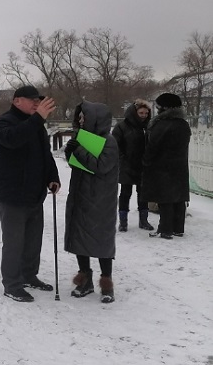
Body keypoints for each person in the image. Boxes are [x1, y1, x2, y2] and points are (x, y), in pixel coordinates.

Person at [0, 85, 61, 302]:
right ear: (16, 101)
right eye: (31, 100)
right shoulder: (4, 123)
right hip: (12, 194)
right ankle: (12, 284)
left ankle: (29, 275)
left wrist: (53, 176)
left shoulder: (37, 125)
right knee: (14, 242)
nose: (36, 103)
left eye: (38, 100)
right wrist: (37, 118)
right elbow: (14, 139)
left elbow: (45, 155)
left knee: (33, 240)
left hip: (34, 193)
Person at [63, 101, 120, 303]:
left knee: (102, 239)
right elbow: (79, 165)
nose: (80, 120)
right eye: (79, 117)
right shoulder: (82, 138)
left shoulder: (109, 141)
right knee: (80, 237)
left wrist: (78, 151)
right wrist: (70, 152)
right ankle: (84, 278)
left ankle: (106, 282)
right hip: (80, 195)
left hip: (101, 199)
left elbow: (101, 166)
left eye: (83, 117)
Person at [143, 93, 191, 239]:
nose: (157, 109)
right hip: (180, 166)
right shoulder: (183, 124)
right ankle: (178, 228)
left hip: (162, 167)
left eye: (158, 106)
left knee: (165, 199)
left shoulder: (161, 125)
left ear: (164, 107)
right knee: (179, 198)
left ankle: (165, 229)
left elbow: (153, 147)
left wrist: (146, 161)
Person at [112, 99, 153, 232]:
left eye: (146, 113)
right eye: (141, 113)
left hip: (144, 165)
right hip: (127, 165)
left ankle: (144, 220)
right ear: (134, 112)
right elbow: (116, 146)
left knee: (143, 194)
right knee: (125, 194)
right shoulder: (122, 127)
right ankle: (123, 222)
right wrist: (123, 159)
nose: (143, 115)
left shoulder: (149, 127)